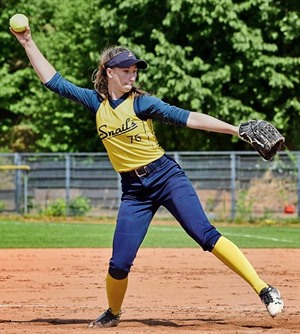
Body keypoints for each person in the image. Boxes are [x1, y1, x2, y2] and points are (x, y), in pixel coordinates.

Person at [11, 23, 283, 328]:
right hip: (134, 190)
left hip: (167, 178)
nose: (132, 74)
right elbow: (54, 82)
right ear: (109, 72)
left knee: (205, 235)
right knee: (119, 263)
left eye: (134, 69)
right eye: (125, 69)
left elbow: (188, 118)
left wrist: (235, 130)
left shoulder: (142, 103)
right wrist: (28, 43)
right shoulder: (96, 104)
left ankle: (264, 289)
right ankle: (113, 313)